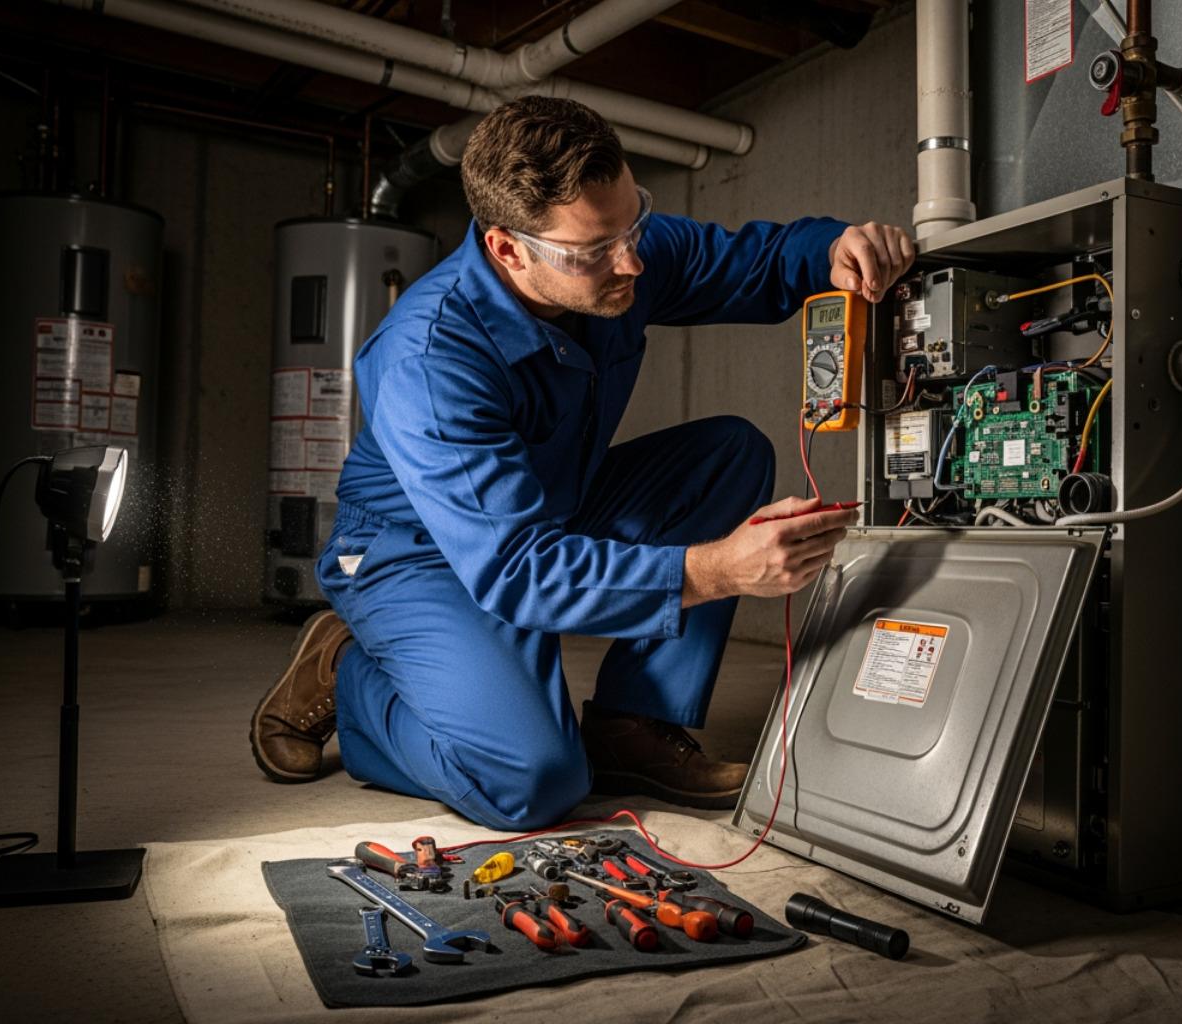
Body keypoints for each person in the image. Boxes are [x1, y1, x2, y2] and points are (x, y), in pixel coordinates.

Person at [250, 96, 914, 830]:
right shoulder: (428, 359)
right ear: (508, 249)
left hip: (547, 508)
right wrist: (717, 569)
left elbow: (748, 261)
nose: (631, 259)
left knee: (726, 456)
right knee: (529, 780)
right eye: (595, 250)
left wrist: (830, 249)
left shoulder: (615, 246)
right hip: (416, 552)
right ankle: (348, 675)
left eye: (634, 223)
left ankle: (632, 725)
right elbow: (515, 568)